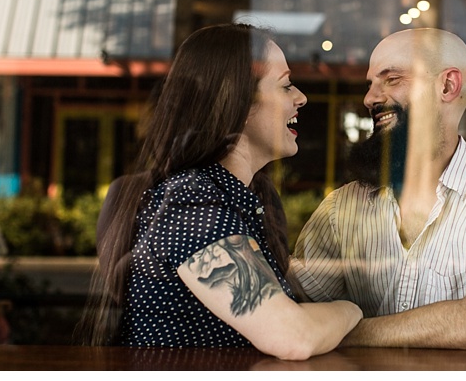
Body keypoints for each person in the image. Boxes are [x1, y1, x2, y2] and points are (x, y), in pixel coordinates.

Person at [77, 23, 361, 360]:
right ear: (238, 103)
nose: (301, 97)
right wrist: (352, 310)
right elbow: (292, 336)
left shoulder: (226, 200)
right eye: (285, 85)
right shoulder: (194, 209)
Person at [290, 27, 466, 349]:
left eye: (392, 79)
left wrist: (339, 334)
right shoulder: (342, 207)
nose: (370, 98)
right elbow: (293, 308)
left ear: (447, 85)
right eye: (370, 84)